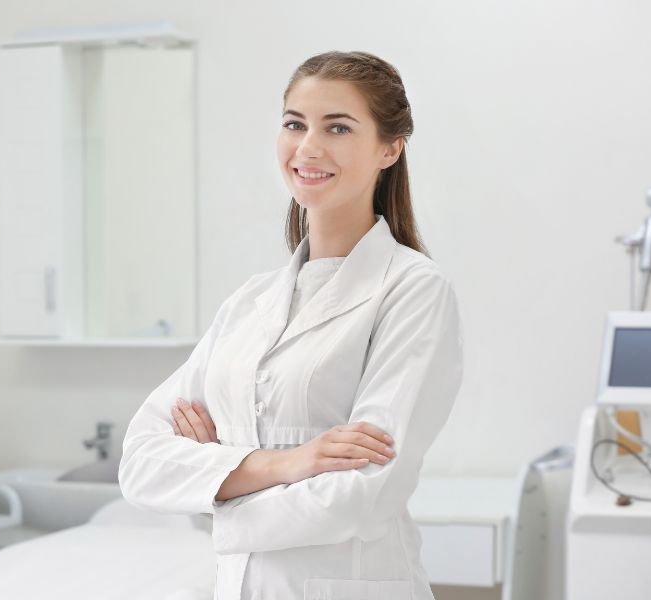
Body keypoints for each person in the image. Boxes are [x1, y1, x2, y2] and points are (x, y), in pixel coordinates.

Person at [119, 51, 464, 600]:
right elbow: (140, 463)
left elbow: (364, 493)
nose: (308, 147)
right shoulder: (247, 303)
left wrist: (214, 487)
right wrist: (286, 463)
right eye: (294, 124)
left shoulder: (413, 289)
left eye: (339, 127)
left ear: (389, 149)